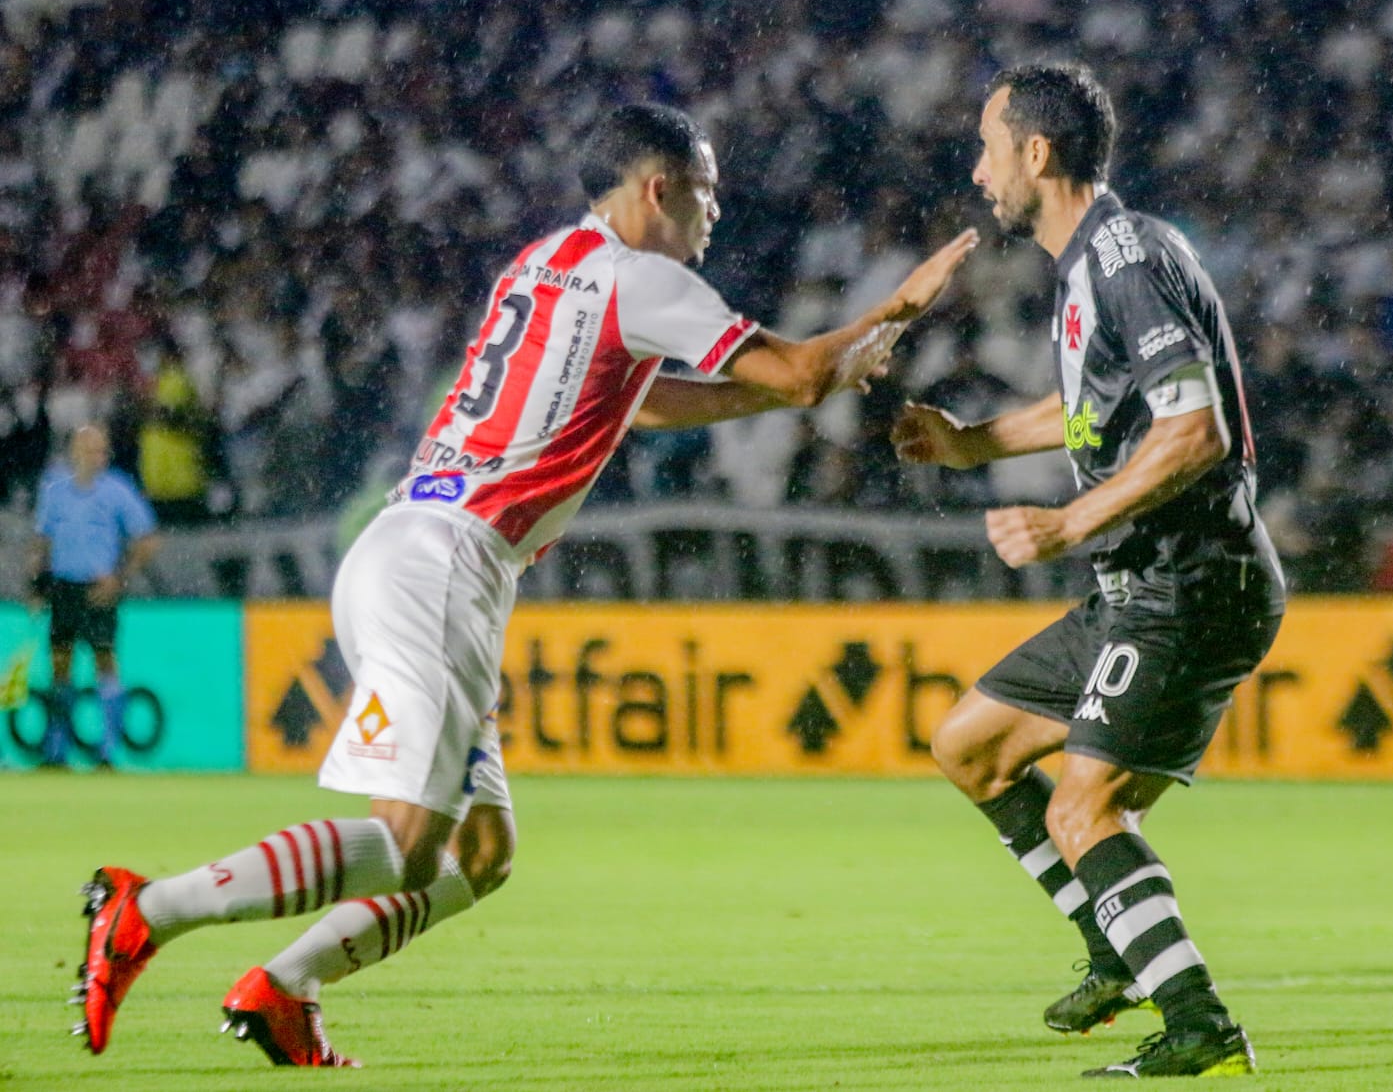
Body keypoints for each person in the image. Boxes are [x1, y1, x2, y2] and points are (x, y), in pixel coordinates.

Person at [74, 102, 977, 1066]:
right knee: (414, 839)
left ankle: (284, 987)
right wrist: (895, 310)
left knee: (481, 854)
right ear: (658, 189)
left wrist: (804, 376)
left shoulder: (550, 260)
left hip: (418, 546)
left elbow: (643, 400)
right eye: (708, 191)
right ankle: (148, 908)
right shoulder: (646, 278)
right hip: (446, 563)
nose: (716, 212)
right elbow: (796, 375)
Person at [892, 62, 1283, 1079]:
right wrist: (970, 443)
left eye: (987, 145)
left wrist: (1070, 520)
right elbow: (1090, 411)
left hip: (1190, 582)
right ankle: (1120, 950)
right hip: (1135, 586)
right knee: (969, 742)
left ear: (1037, 150)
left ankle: (1200, 1025)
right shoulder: (1090, 266)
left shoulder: (1127, 255)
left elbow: (1194, 432)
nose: (978, 169)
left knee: (1085, 809)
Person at [26, 424, 160, 770]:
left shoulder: (117, 489)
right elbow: (42, 540)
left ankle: (107, 752)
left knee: (105, 664)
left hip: (98, 589)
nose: (98, 457)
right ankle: (56, 752)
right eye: (91, 449)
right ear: (75, 452)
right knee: (59, 667)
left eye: (102, 450)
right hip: (63, 586)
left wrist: (120, 579)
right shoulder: (54, 487)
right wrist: (36, 586)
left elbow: (146, 538)